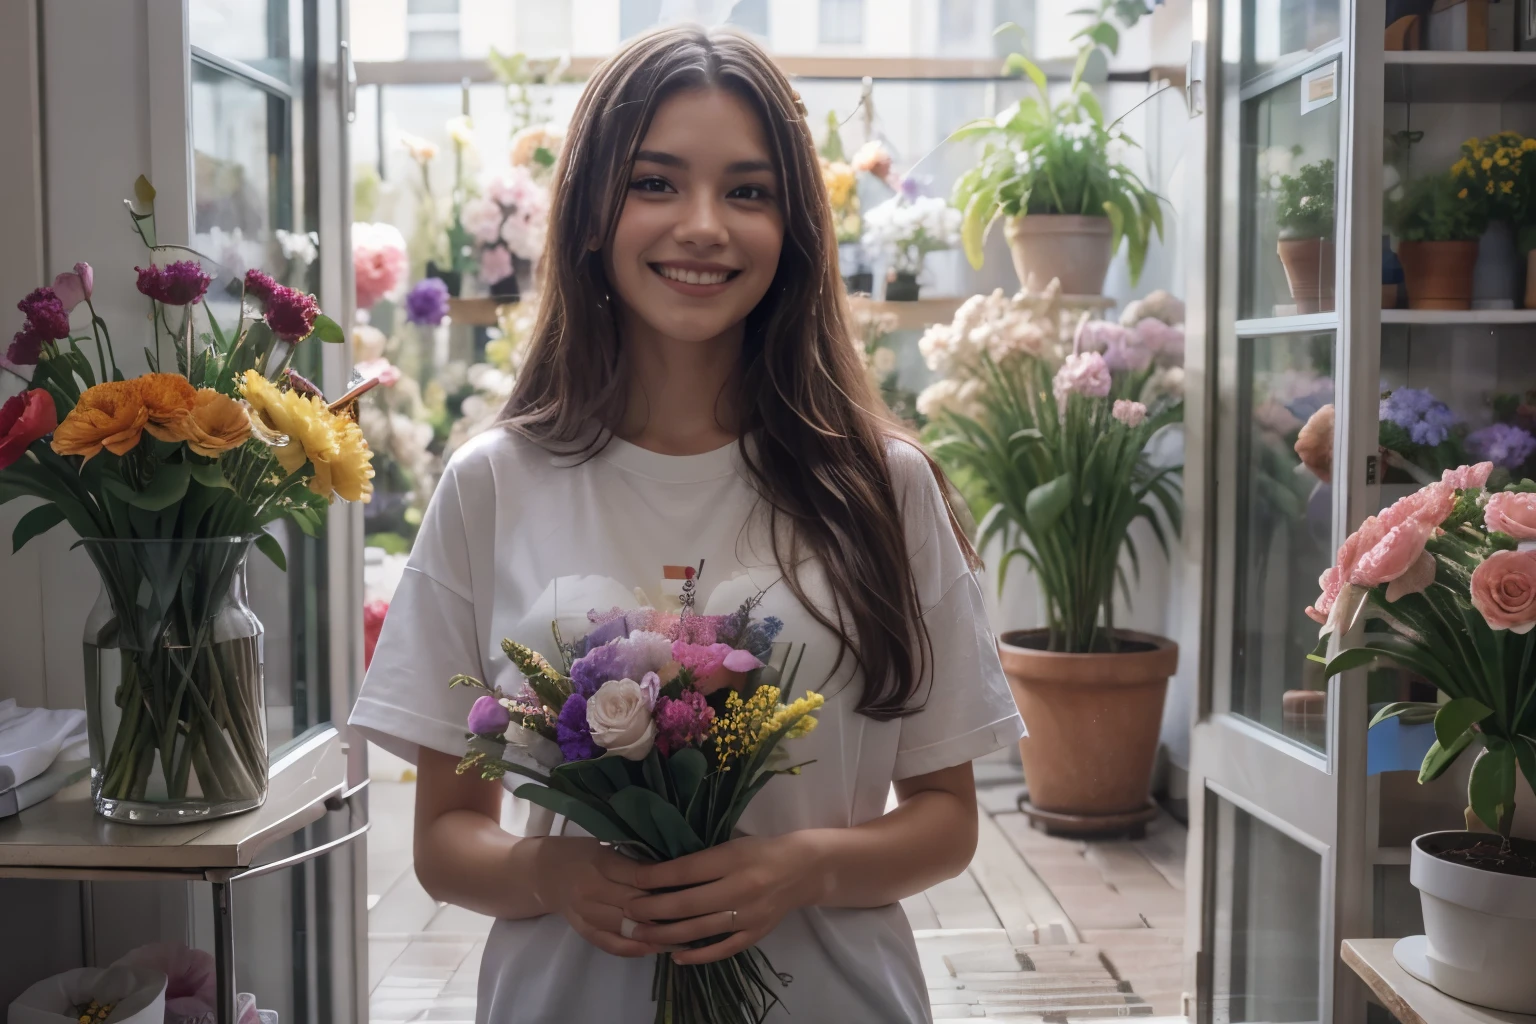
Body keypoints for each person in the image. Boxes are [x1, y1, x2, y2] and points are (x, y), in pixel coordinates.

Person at [350, 23, 1024, 1023]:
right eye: (656, 182)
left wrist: (801, 868)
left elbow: (946, 822)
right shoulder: (493, 483)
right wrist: (554, 875)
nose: (703, 225)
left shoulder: (883, 487)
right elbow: (447, 837)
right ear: (589, 215)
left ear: (793, 228)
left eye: (748, 191)